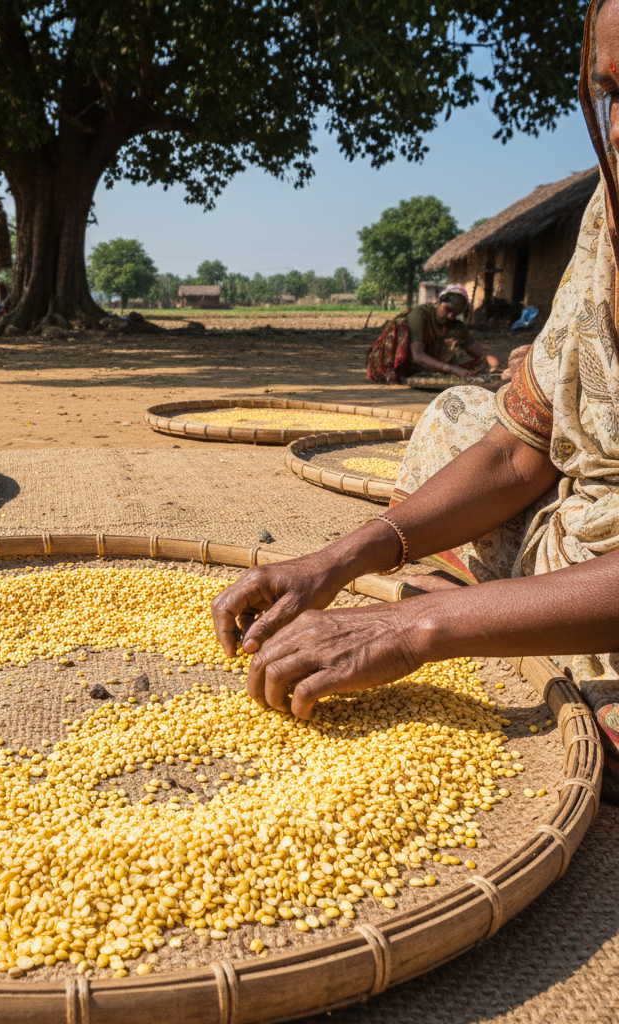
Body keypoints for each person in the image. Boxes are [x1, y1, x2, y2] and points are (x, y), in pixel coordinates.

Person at [210, 0, 619, 790]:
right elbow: (516, 447)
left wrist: (414, 626)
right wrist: (333, 562)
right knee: (462, 419)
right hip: (580, 530)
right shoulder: (606, 214)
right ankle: (505, 609)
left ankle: (496, 617)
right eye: (613, 91)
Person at [365, 285, 502, 384]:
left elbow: (483, 355)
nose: (450, 316)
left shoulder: (456, 326)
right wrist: (452, 369)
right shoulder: (420, 315)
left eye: (456, 314)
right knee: (401, 328)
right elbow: (417, 355)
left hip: (427, 365)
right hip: (401, 364)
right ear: (438, 302)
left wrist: (494, 365)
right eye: (448, 309)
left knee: (471, 359)